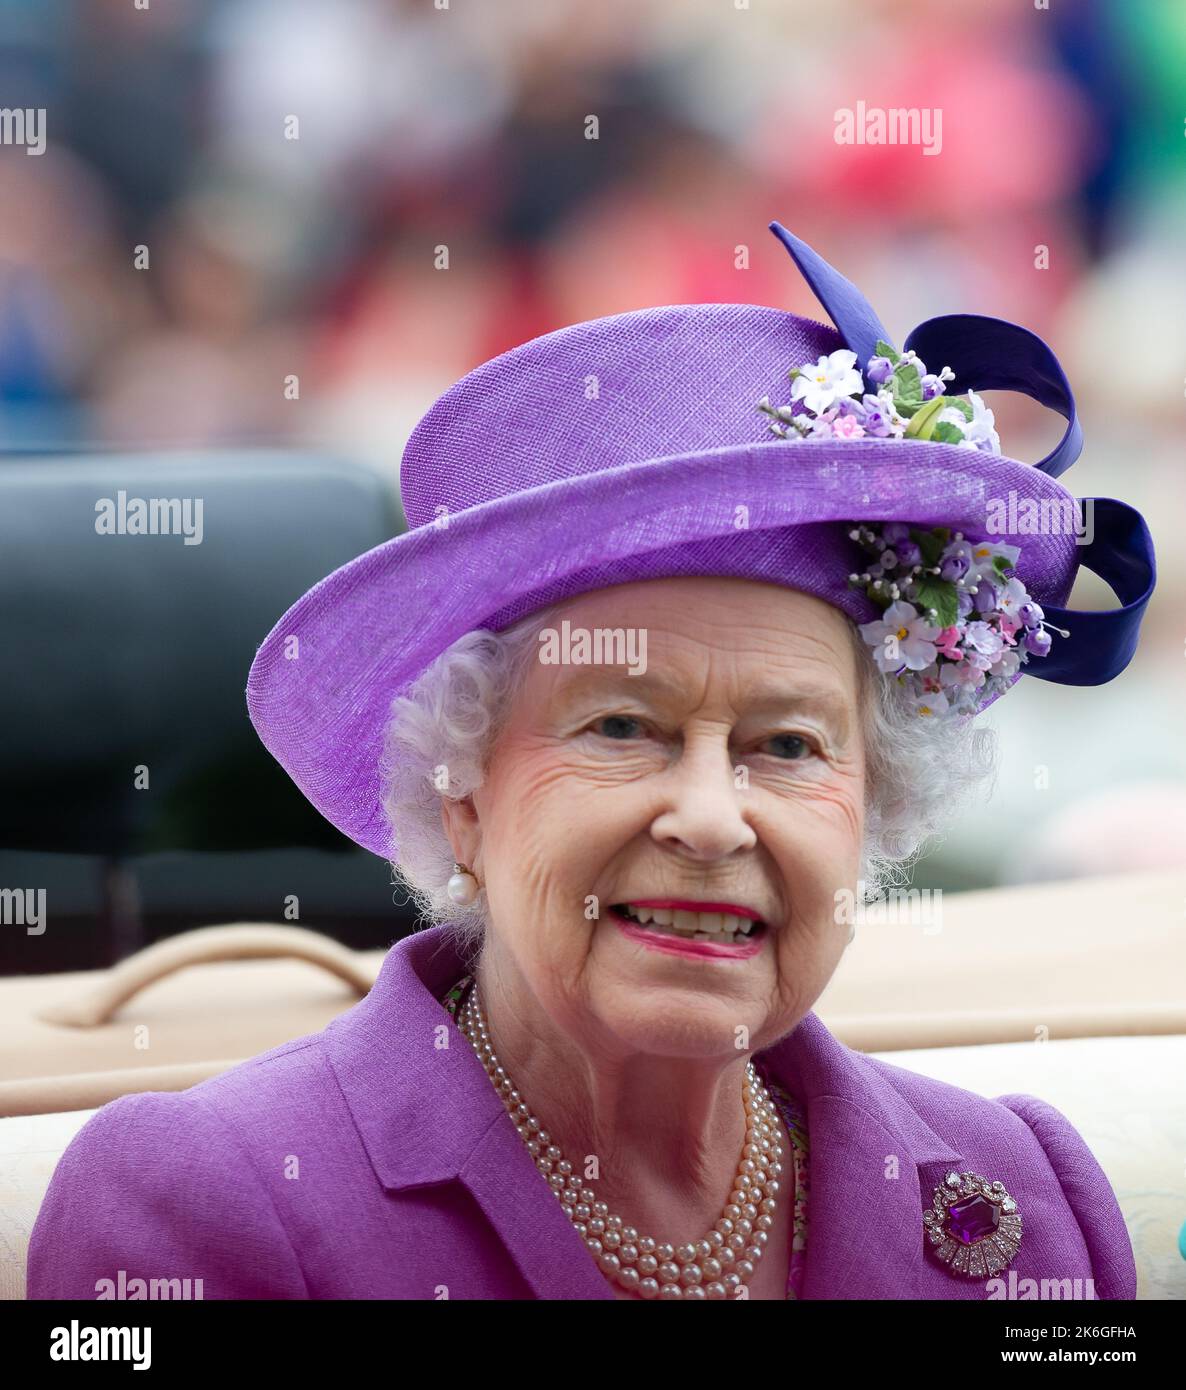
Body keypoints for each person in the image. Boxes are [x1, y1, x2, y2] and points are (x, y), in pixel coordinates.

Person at [28, 224, 1154, 1300]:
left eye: (787, 745)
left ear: (874, 804)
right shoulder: (210, 1204)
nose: (711, 819)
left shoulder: (1022, 1204)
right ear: (460, 791)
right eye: (623, 728)